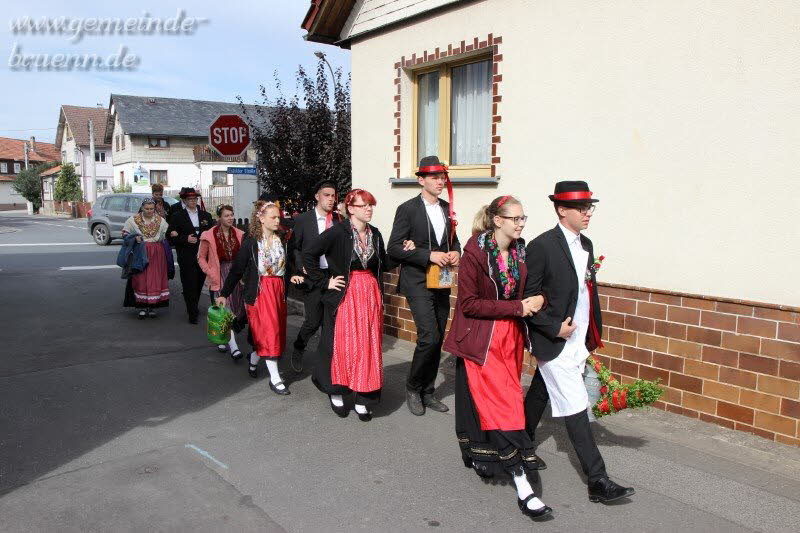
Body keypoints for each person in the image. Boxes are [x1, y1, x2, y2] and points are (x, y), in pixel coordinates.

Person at [523, 181, 635, 504]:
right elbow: (528, 300)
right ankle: (597, 479)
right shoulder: (542, 246)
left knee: (541, 391)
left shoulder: (586, 243)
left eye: (590, 207)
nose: (588, 213)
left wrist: (591, 331)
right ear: (561, 209)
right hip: (553, 340)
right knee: (575, 403)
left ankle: (521, 442)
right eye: (581, 207)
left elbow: (585, 293)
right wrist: (553, 328)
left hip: (578, 340)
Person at [443, 195, 551, 519]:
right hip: (483, 339)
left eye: (523, 218)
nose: (520, 224)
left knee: (496, 402)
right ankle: (523, 486)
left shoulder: (521, 250)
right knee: (503, 405)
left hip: (510, 339)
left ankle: (484, 454)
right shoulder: (475, 252)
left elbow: (534, 287)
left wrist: (540, 297)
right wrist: (517, 307)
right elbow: (470, 304)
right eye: (515, 218)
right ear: (497, 220)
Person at [304, 189, 405, 421]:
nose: (369, 209)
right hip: (345, 296)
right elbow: (308, 254)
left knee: (367, 346)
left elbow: (384, 263)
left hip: (369, 295)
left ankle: (364, 398)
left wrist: (402, 253)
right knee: (342, 345)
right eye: (364, 205)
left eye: (371, 205)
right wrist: (324, 281)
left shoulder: (376, 234)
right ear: (350, 209)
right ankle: (336, 392)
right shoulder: (337, 232)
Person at [387, 155, 461, 416]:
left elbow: (453, 241)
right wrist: (427, 255)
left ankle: (428, 392)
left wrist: (455, 253)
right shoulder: (407, 209)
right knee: (428, 336)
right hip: (417, 281)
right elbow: (394, 247)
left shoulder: (446, 208)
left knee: (438, 337)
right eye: (434, 177)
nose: (440, 181)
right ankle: (413, 387)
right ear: (421, 180)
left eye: (442, 177)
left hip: (441, 281)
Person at [216, 200, 304, 395]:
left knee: (275, 332)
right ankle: (275, 379)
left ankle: (254, 360)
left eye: (278, 216)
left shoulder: (282, 239)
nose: (277, 220)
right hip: (259, 293)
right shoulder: (251, 243)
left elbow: (288, 262)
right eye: (273, 217)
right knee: (269, 332)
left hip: (278, 291)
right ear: (261, 219)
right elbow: (237, 270)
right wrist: (224, 294)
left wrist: (296, 272)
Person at [288, 180, 343, 371]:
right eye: (326, 195)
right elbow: (294, 247)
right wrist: (300, 266)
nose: (331, 199)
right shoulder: (303, 220)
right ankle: (298, 347)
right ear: (317, 196)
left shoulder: (339, 220)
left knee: (331, 322)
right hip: (312, 276)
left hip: (333, 276)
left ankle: (327, 361)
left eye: (333, 195)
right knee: (312, 322)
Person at [198, 204, 246, 361]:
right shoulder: (209, 235)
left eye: (231, 214)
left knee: (236, 310)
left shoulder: (240, 234)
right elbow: (200, 258)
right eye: (226, 215)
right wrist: (210, 272)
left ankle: (222, 336)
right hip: (219, 275)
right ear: (219, 218)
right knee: (225, 310)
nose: (230, 218)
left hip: (236, 277)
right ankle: (234, 348)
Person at [168, 187, 213, 324]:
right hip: (186, 256)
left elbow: (211, 234)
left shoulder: (206, 216)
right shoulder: (177, 216)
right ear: (185, 201)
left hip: (202, 256)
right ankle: (192, 312)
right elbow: (170, 236)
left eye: (195, 199)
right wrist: (184, 239)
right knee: (189, 284)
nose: (193, 201)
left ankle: (194, 305)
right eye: (190, 199)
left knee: (199, 283)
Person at [122, 198, 171, 319]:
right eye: (147, 209)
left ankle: (153, 307)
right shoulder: (133, 220)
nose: (149, 211)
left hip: (157, 252)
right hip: (141, 252)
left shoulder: (161, 221)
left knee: (155, 278)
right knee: (140, 278)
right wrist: (134, 238)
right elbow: (124, 233)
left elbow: (165, 235)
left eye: (152, 209)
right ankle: (142, 307)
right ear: (142, 208)